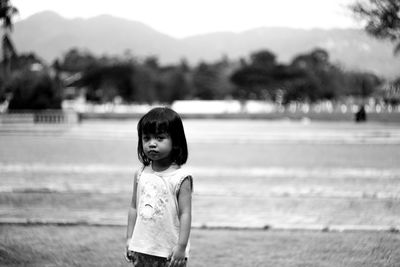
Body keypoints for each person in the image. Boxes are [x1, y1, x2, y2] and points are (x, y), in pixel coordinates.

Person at [126, 107, 193, 267]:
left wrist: (181, 247)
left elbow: (185, 214)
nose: (152, 144)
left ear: (175, 141)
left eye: (160, 138)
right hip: (141, 247)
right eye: (146, 138)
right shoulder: (141, 173)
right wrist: (129, 239)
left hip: (169, 252)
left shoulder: (180, 178)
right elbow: (134, 207)